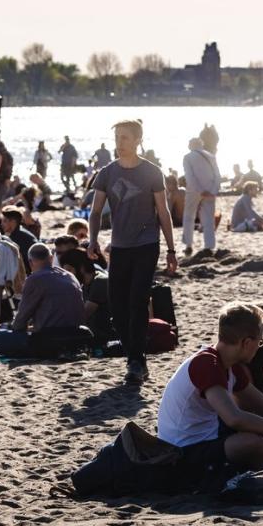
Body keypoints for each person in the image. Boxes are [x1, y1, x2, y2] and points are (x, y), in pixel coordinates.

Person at [156, 303, 263, 484]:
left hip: (207, 442)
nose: (260, 347)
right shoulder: (206, 364)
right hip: (180, 452)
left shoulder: (229, 365)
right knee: (251, 443)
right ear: (246, 343)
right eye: (260, 341)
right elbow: (234, 418)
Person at [88, 119, 178, 384]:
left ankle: (135, 362)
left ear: (138, 140)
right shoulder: (107, 173)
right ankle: (135, 357)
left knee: (138, 301)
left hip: (146, 244)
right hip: (120, 246)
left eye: (125, 137)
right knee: (117, 306)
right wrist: (93, 239)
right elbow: (94, 212)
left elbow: (163, 212)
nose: (119, 143)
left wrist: (171, 250)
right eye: (117, 137)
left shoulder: (152, 172)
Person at [0, 243, 85, 356]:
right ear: (51, 258)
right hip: (75, 334)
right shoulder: (70, 276)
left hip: (49, 339)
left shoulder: (35, 279)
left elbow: (21, 320)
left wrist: (15, 327)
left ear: (31, 262)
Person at [58, 249, 114, 345]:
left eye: (69, 270)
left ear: (82, 268)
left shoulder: (100, 282)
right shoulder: (84, 284)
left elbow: (83, 314)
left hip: (105, 335)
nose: (67, 275)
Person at [181, 137, 222, 254]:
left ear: (191, 145)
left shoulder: (188, 157)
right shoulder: (211, 156)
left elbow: (190, 176)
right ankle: (209, 246)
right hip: (210, 189)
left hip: (194, 190)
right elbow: (217, 175)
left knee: (189, 216)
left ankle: (188, 245)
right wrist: (213, 190)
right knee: (209, 218)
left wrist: (199, 190)